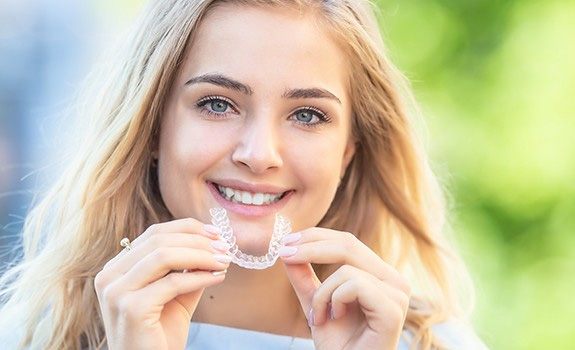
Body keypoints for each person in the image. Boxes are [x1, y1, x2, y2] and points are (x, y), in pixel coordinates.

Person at [0, 0, 488, 349]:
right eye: (217, 104)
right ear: (151, 128)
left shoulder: (432, 343)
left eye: (307, 115)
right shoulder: (29, 335)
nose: (259, 155)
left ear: (348, 152)